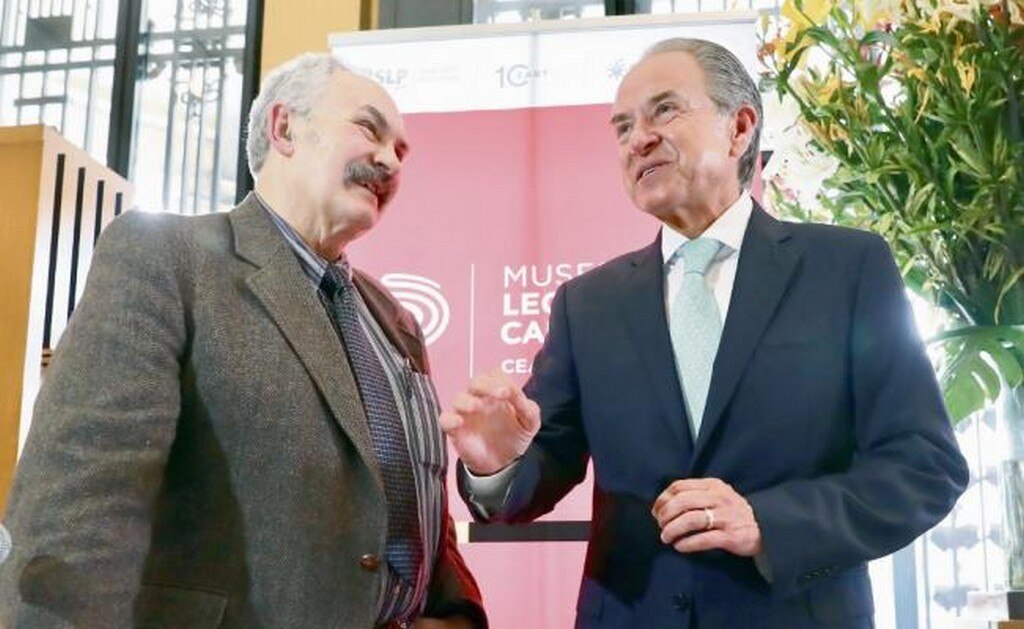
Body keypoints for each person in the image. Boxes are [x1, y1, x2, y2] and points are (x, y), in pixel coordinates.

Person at [442, 38, 968, 628]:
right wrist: (495, 467)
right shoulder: (588, 304)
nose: (638, 138)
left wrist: (768, 522)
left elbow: (923, 467)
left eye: (664, 110)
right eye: (622, 127)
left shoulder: (846, 270)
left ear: (740, 127)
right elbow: (540, 470)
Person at [0, 53, 485, 629]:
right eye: (368, 129)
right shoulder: (168, 259)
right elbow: (80, 507)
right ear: (284, 128)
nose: (388, 160)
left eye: (401, 151)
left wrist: (453, 612)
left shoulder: (395, 320)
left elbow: (412, 494)